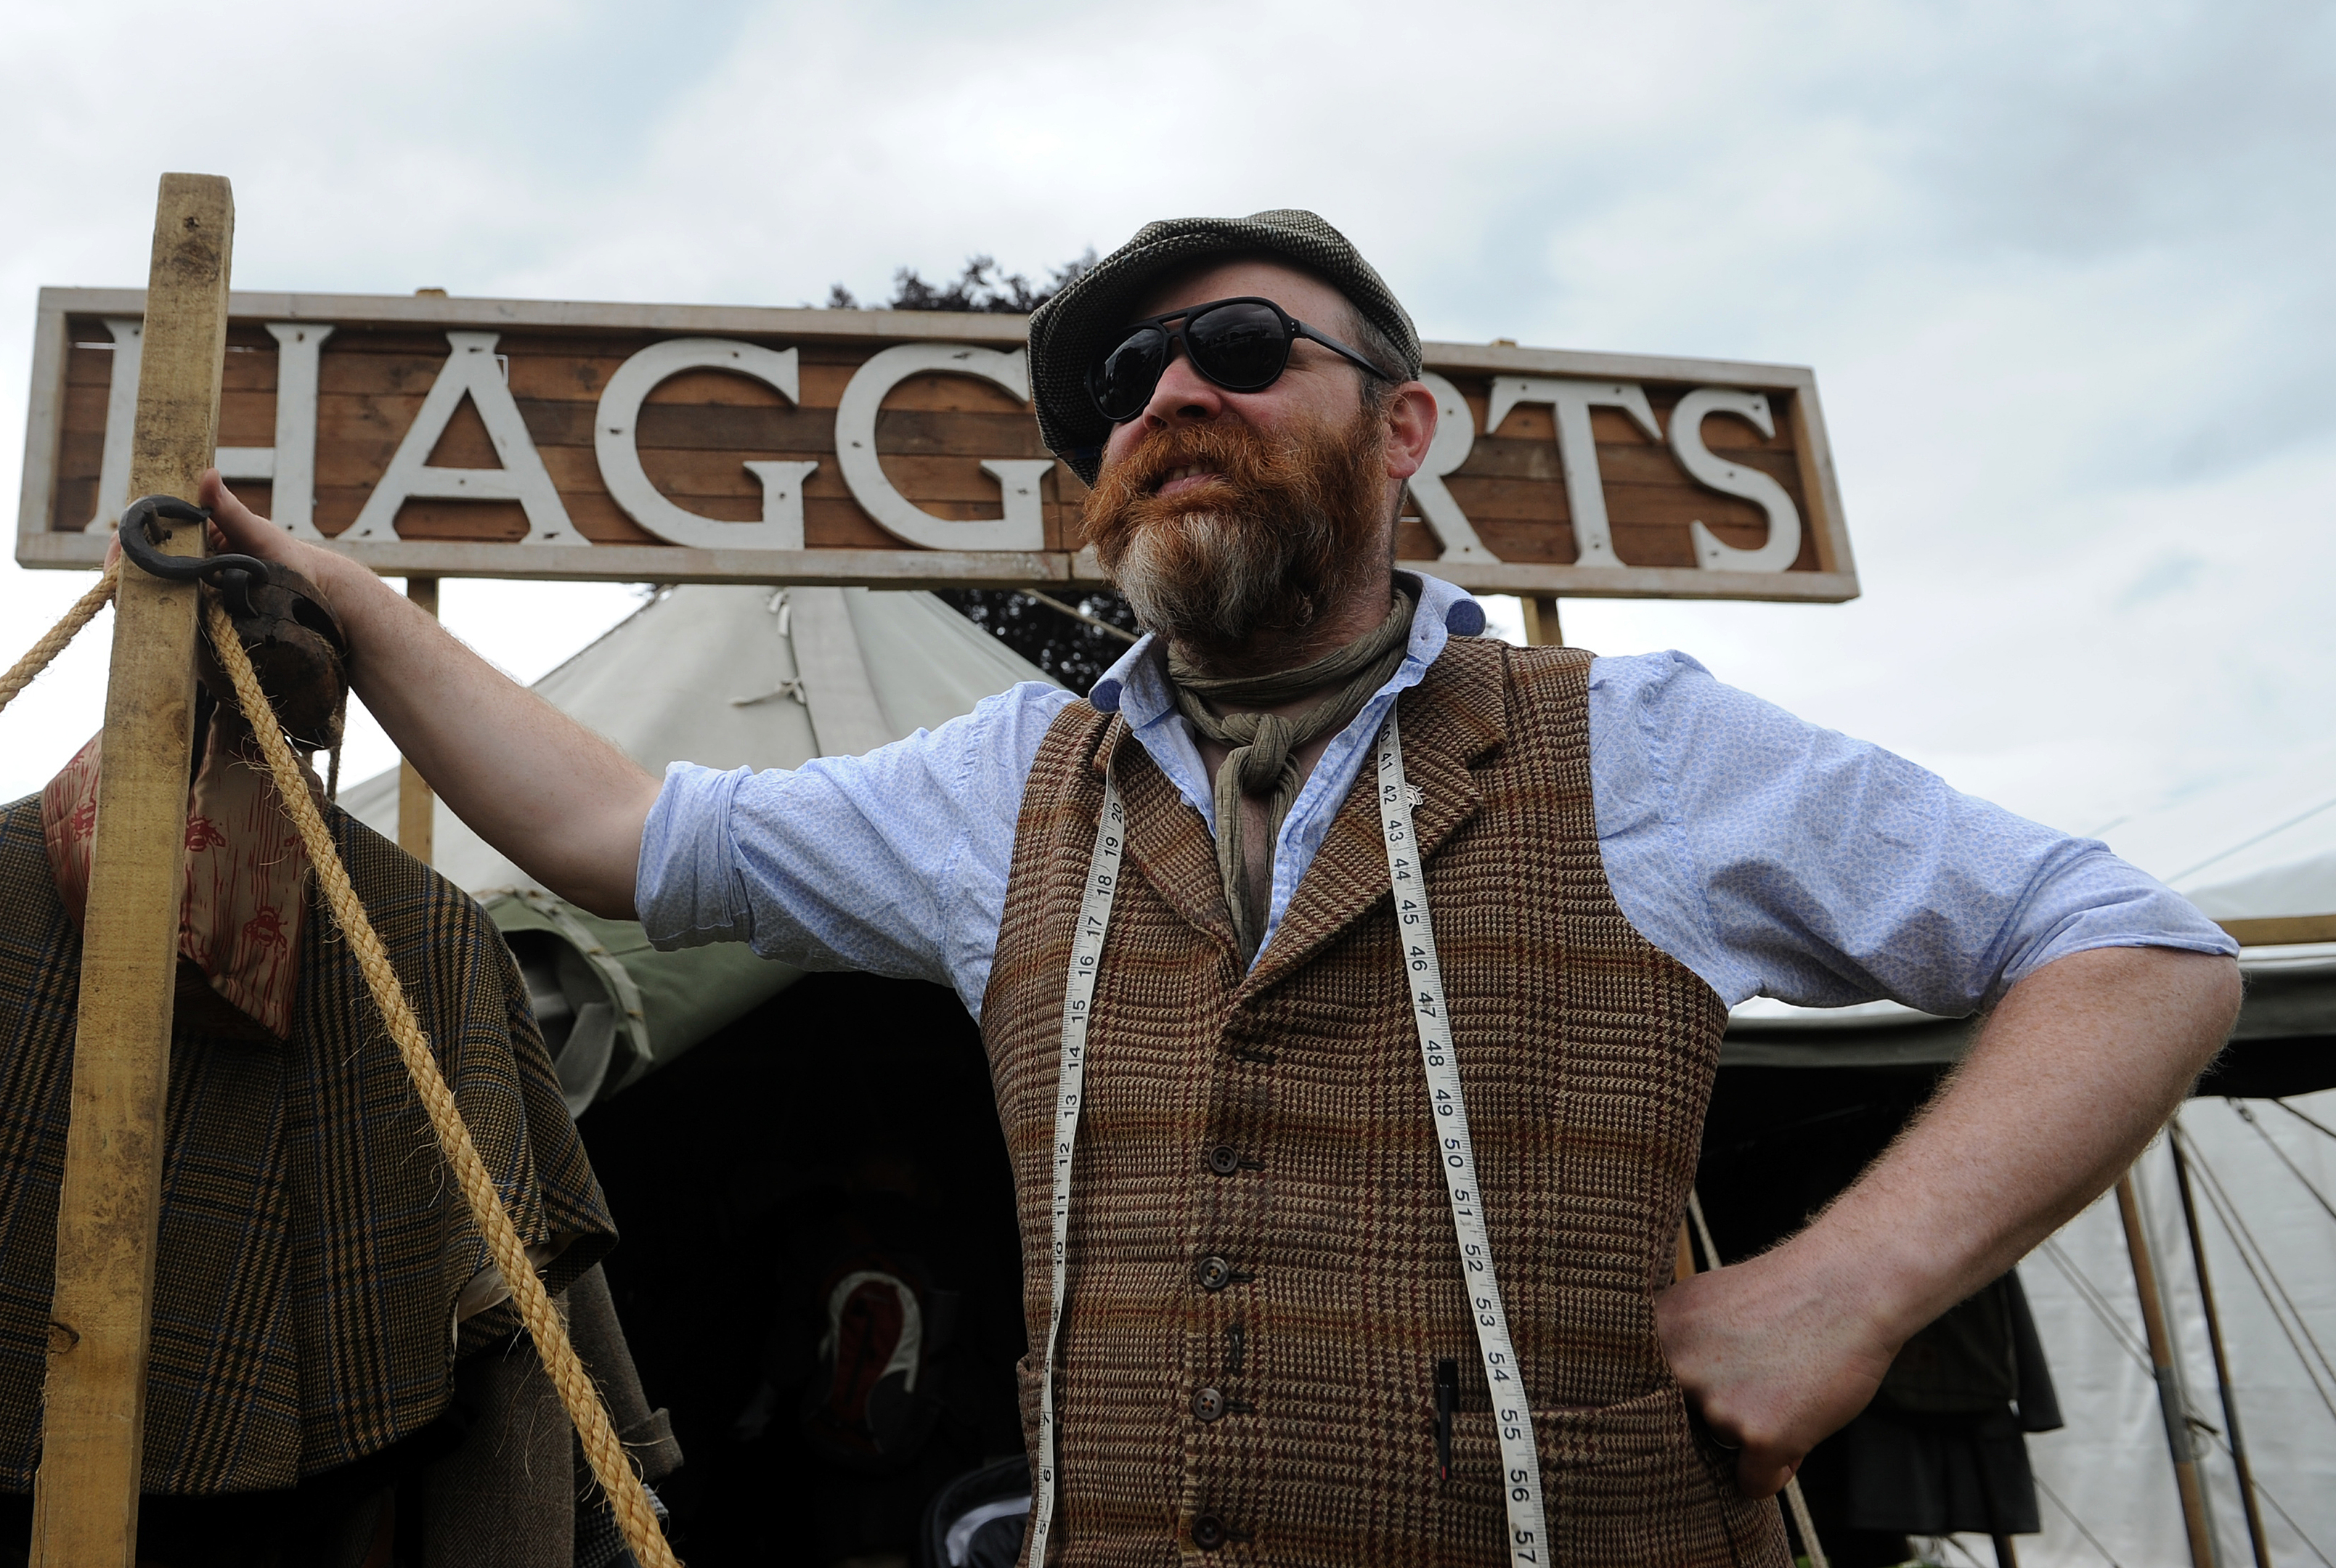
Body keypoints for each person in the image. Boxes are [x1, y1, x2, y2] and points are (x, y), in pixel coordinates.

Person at [195, 210, 2239, 1566]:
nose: (1171, 397)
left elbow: (2140, 953)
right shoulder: (1006, 782)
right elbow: (624, 838)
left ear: (1403, 425)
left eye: (1246, 349)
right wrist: (347, 608)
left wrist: (1851, 1284)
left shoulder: (1649, 744)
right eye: (1126, 385)